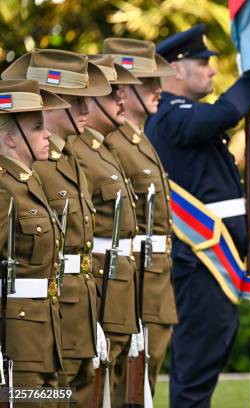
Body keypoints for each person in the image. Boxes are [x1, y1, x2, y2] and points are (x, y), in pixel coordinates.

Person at [144, 23, 250, 407]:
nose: (212, 70)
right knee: (194, 373)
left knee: (205, 366)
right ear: (176, 69)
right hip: (198, 264)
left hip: (212, 265)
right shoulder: (168, 115)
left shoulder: (185, 114)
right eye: (203, 62)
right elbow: (222, 115)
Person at [2, 48, 112, 407]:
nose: (86, 110)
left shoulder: (42, 170)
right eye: (36, 127)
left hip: (52, 328)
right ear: (9, 138)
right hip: (22, 337)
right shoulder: (9, 183)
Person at [101, 37, 178, 394]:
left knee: (142, 383)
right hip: (136, 276)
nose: (158, 89)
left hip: (155, 275)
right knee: (125, 386)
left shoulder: (138, 139)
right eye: (148, 82)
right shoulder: (113, 142)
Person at [69, 54, 141, 406]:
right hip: (97, 281)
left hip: (119, 283)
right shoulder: (76, 150)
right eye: (113, 93)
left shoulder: (101, 150)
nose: (121, 100)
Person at [0, 79, 69, 400]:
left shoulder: (30, 183)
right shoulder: (3, 189)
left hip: (46, 331)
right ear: (10, 138)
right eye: (37, 127)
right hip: (16, 340)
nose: (48, 135)